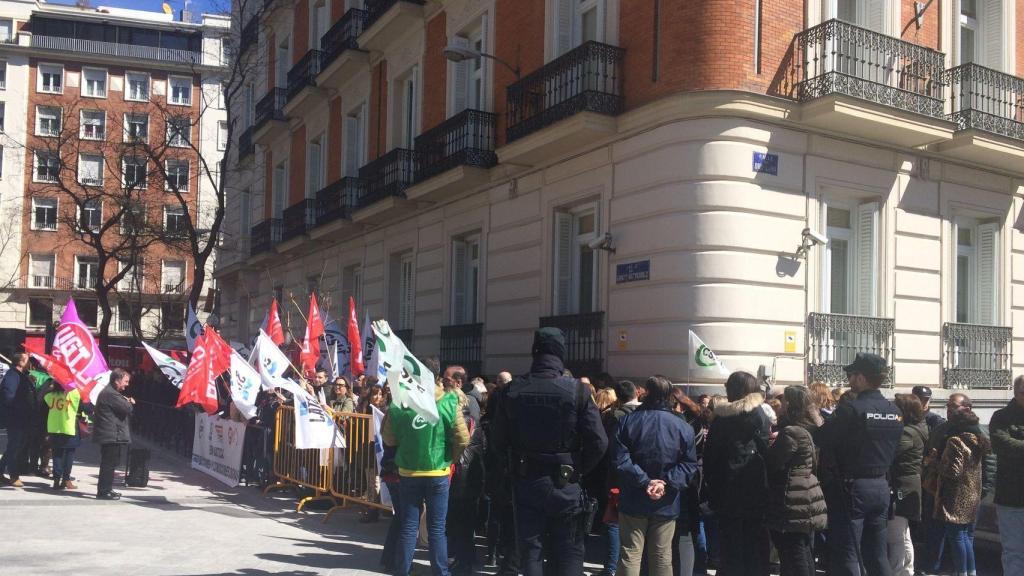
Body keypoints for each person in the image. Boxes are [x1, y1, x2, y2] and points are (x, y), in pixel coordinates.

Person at [488, 327, 608, 576]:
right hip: (566, 482)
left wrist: (513, 466)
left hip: (526, 481)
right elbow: (598, 442)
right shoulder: (578, 391)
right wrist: (578, 468)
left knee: (531, 551)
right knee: (569, 552)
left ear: (535, 351)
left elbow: (497, 441)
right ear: (561, 353)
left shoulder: (512, 390)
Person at [817, 353, 903, 576]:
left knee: (847, 554)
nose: (849, 379)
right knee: (877, 555)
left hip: (853, 488)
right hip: (881, 486)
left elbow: (823, 438)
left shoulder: (851, 410)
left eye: (852, 375)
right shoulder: (894, 411)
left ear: (862, 378)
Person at [381, 371, 469, 576]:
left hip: (408, 471)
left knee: (409, 526)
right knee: (437, 528)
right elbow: (463, 438)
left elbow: (389, 438)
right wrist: (451, 457)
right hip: (438, 470)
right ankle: (441, 572)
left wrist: (408, 442)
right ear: (435, 377)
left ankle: (402, 571)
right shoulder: (449, 401)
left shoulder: (399, 402)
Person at [613, 376, 698, 576]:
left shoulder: (628, 421)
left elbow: (620, 459)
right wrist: (664, 483)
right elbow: (689, 464)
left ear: (646, 392)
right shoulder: (682, 426)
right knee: (661, 556)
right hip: (666, 499)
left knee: (630, 554)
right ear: (669, 395)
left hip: (633, 497)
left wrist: (645, 481)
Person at [703, 371, 772, 576]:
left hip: (727, 489)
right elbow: (766, 451)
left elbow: (711, 457)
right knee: (755, 543)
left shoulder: (722, 419)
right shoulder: (761, 416)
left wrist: (712, 487)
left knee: (730, 544)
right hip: (756, 488)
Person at [765, 385, 828, 576]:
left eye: (784, 399)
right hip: (808, 491)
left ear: (791, 404)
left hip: (793, 496)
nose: (781, 403)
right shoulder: (816, 427)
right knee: (803, 549)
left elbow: (774, 461)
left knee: (794, 552)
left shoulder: (793, 432)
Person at [933, 405, 990, 576]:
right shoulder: (978, 440)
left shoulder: (956, 441)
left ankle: (961, 571)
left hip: (956, 495)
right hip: (973, 494)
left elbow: (953, 471)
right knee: (967, 537)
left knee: (957, 536)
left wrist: (935, 463)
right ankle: (971, 571)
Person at [887, 394, 928, 576]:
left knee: (896, 533)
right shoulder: (917, 429)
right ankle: (906, 570)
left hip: (903, 486)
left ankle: (897, 571)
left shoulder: (907, 433)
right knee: (904, 533)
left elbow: (890, 453)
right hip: (909, 484)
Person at [990, 375, 1024, 576]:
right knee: (1014, 551)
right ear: (1016, 392)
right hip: (1011, 498)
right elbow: (1002, 444)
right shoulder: (1001, 417)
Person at [94, 368, 134, 500]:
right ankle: (103, 491)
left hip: (112, 434)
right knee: (108, 463)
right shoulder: (111, 394)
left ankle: (107, 489)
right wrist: (129, 402)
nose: (127, 384)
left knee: (111, 463)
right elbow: (127, 408)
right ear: (117, 380)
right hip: (111, 434)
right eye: (125, 381)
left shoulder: (112, 393)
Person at [43, 381, 82, 490]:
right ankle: (66, 479)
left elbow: (44, 400)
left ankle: (56, 480)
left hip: (54, 428)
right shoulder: (74, 393)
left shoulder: (51, 395)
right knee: (69, 455)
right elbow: (84, 407)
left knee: (57, 455)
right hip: (69, 428)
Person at [1, 353, 31, 487]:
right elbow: (8, 396)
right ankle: (14, 475)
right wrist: (20, 407)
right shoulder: (12, 375)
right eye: (27, 360)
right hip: (15, 418)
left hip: (21, 417)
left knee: (15, 446)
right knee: (15, 447)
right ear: (21, 362)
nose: (29, 362)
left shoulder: (21, 375)